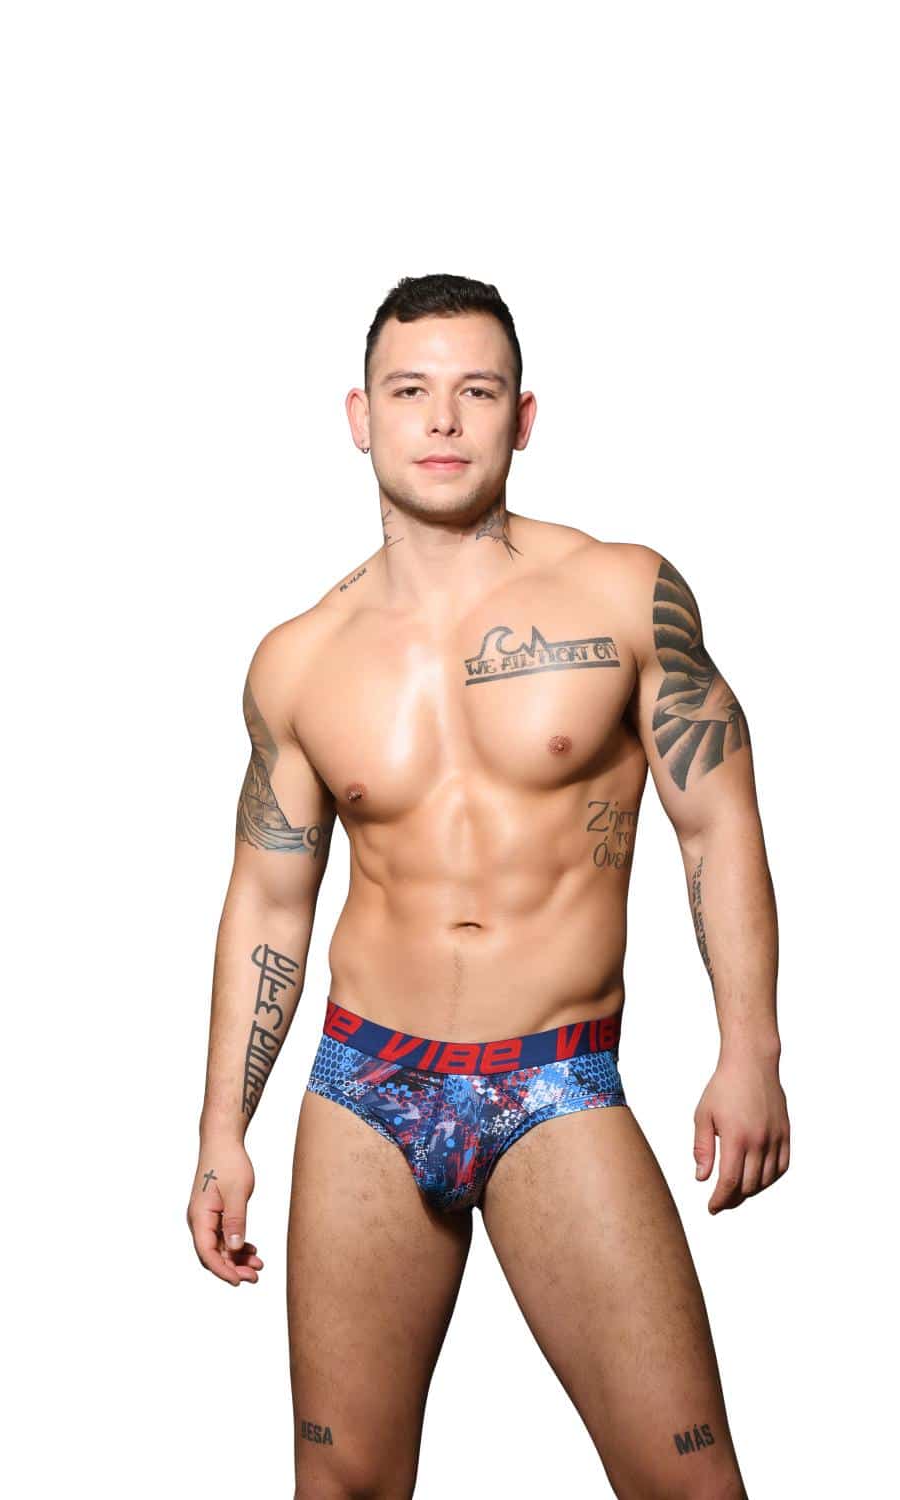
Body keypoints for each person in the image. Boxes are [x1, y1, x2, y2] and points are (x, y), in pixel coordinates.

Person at [187, 273, 788, 1500]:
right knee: (342, 1488)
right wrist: (219, 1133)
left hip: (553, 1079)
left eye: (477, 390)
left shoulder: (622, 593)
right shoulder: (299, 658)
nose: (443, 419)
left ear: (523, 416)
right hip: (364, 1086)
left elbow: (717, 823)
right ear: (360, 416)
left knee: (690, 1486)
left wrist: (751, 1048)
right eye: (411, 391)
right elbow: (268, 901)